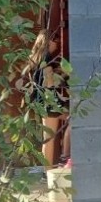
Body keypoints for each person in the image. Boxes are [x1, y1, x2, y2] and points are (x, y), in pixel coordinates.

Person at [23, 29, 70, 165]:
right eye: (56, 40)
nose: (58, 43)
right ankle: (63, 159)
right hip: (49, 103)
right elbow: (49, 84)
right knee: (51, 138)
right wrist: (63, 76)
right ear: (49, 41)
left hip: (40, 102)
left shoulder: (36, 59)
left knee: (48, 138)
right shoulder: (47, 60)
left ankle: (48, 168)